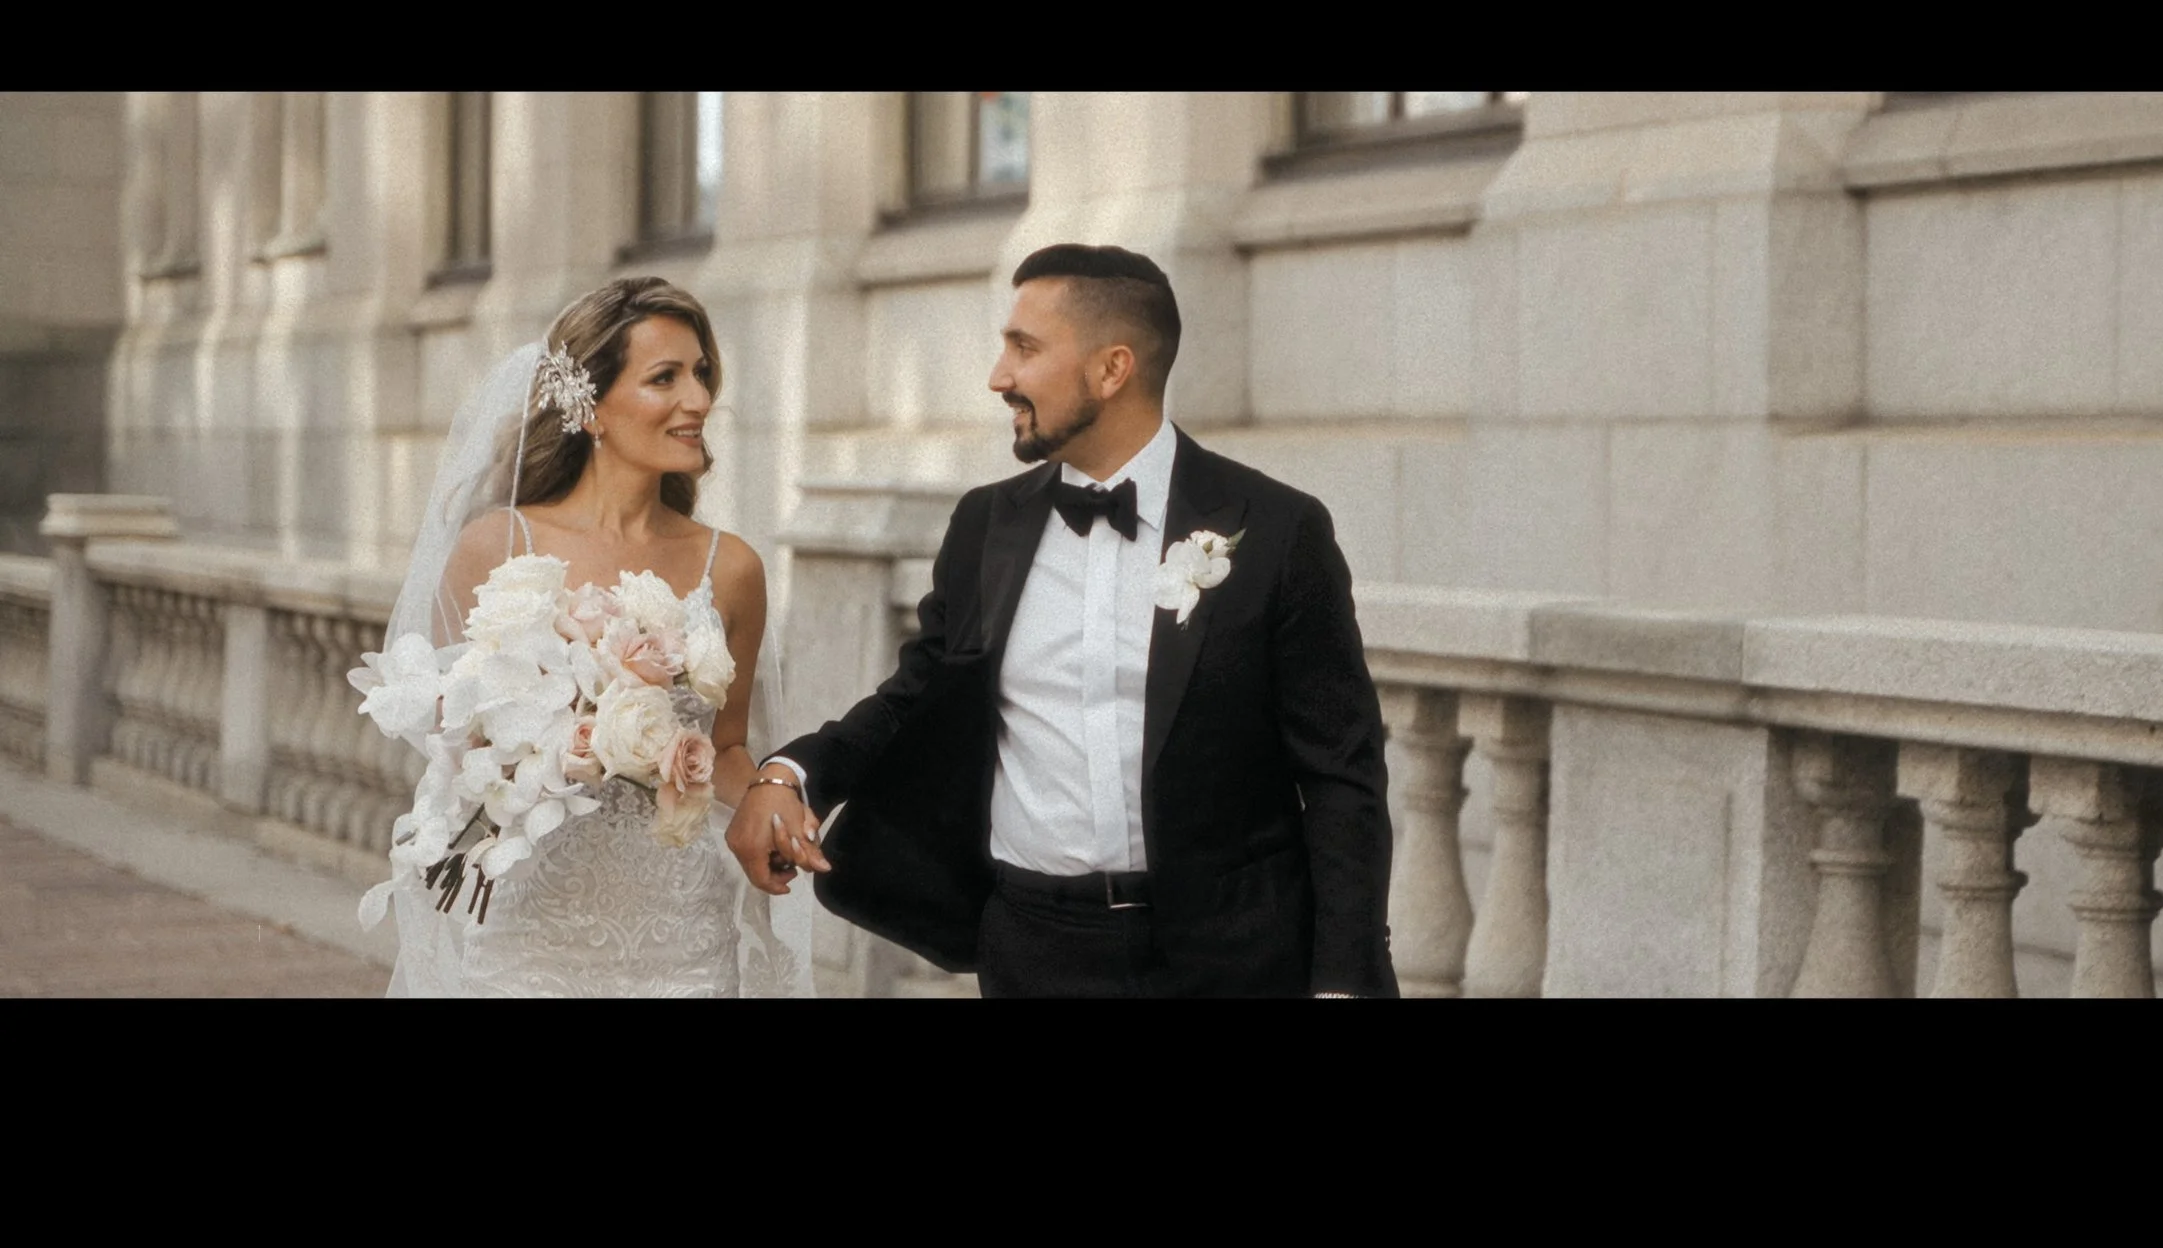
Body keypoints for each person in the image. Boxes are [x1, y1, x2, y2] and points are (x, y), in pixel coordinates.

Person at [727, 244, 1397, 998]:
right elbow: (917, 695)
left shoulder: (1277, 529)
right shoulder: (986, 526)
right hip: (1033, 952)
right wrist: (792, 773)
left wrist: (1343, 982)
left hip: (1232, 961)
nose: (998, 376)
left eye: (1025, 347)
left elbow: (1342, 777)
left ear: (1112, 370)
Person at [369, 276, 811, 997]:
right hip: (529, 934)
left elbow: (727, 746)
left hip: (680, 937)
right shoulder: (497, 547)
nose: (699, 400)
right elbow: (456, 743)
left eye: (701, 374)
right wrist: (550, 738)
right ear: (591, 406)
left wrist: (771, 795)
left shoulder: (730, 568)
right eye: (665, 378)